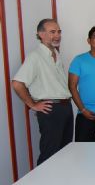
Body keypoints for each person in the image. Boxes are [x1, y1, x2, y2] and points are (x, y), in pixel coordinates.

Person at [11, 19, 73, 164]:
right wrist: (33, 104)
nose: (57, 35)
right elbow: (17, 83)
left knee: (65, 152)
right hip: (51, 110)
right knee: (50, 154)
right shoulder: (35, 57)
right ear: (41, 34)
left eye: (59, 31)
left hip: (65, 107)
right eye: (52, 32)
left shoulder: (56, 55)